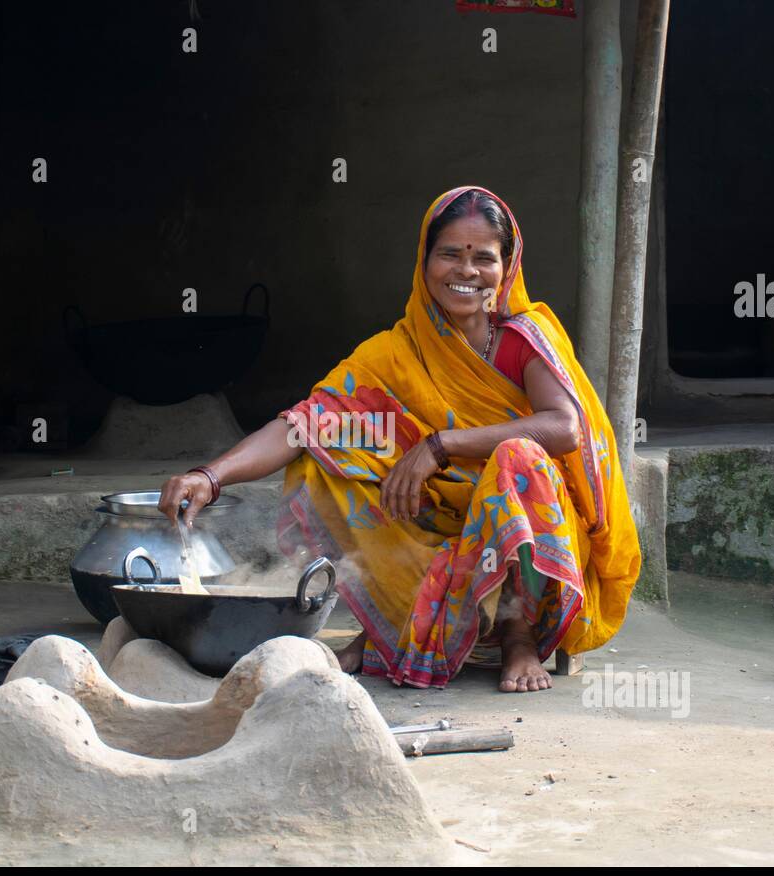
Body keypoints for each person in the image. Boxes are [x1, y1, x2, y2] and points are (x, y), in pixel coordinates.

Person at [159, 185, 640, 692]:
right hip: (445, 518)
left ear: (507, 266)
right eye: (450, 254)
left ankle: (517, 635)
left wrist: (442, 445)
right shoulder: (395, 351)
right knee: (324, 456)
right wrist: (209, 476)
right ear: (424, 260)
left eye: (484, 258)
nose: (467, 271)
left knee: (518, 458)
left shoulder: (523, 337)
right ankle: (391, 625)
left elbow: (564, 428)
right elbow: (302, 424)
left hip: (531, 516)